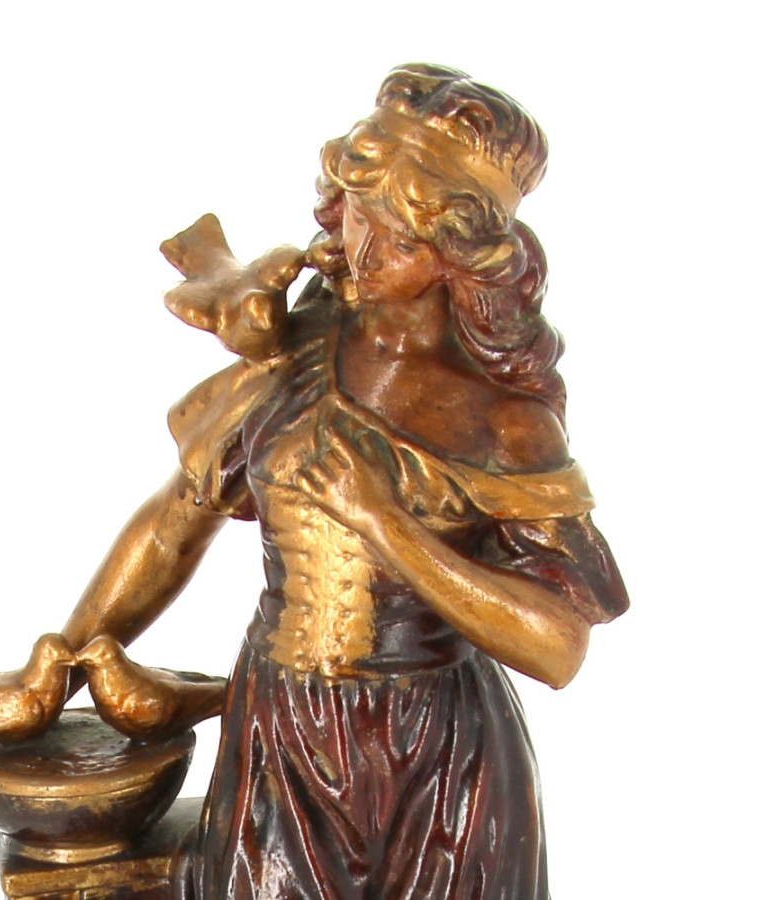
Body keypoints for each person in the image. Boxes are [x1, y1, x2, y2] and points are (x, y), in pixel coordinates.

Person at [56, 64, 629, 898]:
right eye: (359, 213)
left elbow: (557, 645)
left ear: (459, 257)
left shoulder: (502, 419)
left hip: (441, 766)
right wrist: (66, 661)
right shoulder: (294, 356)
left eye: (401, 239)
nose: (362, 252)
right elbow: (175, 523)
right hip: (282, 733)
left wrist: (386, 524)